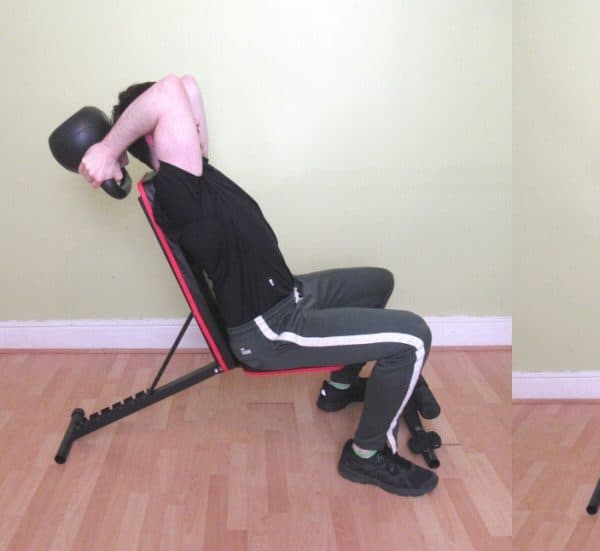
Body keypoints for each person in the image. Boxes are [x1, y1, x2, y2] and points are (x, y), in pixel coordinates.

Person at [77, 74, 437, 497]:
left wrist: (119, 145)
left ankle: (338, 389)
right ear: (159, 137)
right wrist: (107, 149)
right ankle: (366, 456)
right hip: (272, 328)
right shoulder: (181, 191)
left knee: (378, 283)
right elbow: (170, 92)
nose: (192, 122)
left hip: (289, 294)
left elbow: (186, 85)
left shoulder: (196, 173)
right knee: (413, 338)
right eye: (179, 122)